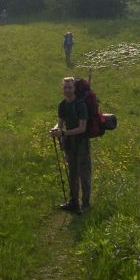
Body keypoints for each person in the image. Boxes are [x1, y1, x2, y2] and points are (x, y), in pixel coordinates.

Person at [50, 77, 91, 214]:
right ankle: (73, 201)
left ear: (74, 89)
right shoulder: (62, 105)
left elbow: (82, 128)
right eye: (65, 87)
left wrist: (63, 133)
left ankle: (85, 204)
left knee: (83, 173)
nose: (67, 90)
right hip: (69, 143)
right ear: (62, 88)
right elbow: (60, 123)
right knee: (72, 172)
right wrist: (55, 129)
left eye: (70, 87)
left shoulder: (80, 105)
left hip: (82, 142)